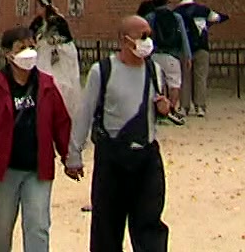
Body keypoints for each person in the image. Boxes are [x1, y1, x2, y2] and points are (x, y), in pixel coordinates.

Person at [67, 15, 171, 252]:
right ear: (125, 40)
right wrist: (74, 154)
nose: (148, 41)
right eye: (142, 36)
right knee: (107, 227)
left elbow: (156, 109)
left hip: (147, 157)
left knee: (150, 224)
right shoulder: (102, 71)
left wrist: (163, 109)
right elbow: (85, 112)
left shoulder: (155, 70)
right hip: (113, 158)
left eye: (149, 35)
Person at [0, 27, 74, 252]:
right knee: (2, 226)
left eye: (31, 47)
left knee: (38, 225)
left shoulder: (46, 85)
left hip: (37, 168)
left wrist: (69, 157)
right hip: (4, 170)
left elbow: (61, 123)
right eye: (21, 48)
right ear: (8, 54)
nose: (29, 52)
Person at [172, 0, 229, 118]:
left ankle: (184, 107)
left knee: (185, 78)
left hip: (184, 50)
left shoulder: (176, 13)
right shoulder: (203, 10)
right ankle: (200, 107)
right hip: (202, 47)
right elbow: (218, 18)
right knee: (200, 78)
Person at [29, 0, 81, 124]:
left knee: (61, 82)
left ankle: (64, 111)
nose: (36, 10)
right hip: (44, 55)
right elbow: (30, 34)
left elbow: (66, 40)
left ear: (44, 7)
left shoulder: (58, 20)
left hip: (60, 56)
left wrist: (53, 43)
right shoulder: (37, 22)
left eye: (38, 7)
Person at [138, 0, 187, 126]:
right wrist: (187, 55)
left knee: (157, 85)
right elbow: (183, 37)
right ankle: (170, 109)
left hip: (155, 55)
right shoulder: (176, 17)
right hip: (172, 55)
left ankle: (159, 111)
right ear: (167, 2)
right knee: (174, 84)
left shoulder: (150, 18)